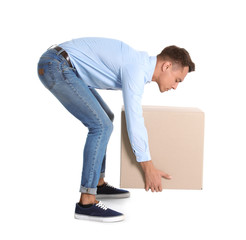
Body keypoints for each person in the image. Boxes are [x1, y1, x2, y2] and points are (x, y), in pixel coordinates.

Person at [37, 37, 195, 222]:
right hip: (56, 65)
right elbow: (134, 118)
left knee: (106, 118)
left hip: (63, 65)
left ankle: (98, 183)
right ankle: (86, 202)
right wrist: (148, 167)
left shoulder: (138, 65)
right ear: (166, 66)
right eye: (177, 80)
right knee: (101, 125)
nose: (175, 86)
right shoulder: (136, 68)